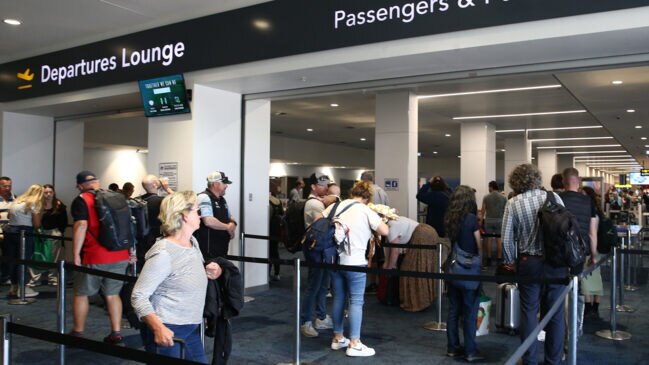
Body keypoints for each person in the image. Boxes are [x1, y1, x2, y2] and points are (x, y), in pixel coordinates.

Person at [132, 191, 222, 363]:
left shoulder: (192, 243)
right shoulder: (164, 252)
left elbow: (185, 273)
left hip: (189, 327)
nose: (200, 214)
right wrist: (158, 328)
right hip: (168, 328)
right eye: (196, 210)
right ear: (184, 216)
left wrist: (213, 270)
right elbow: (138, 296)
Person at [501, 164, 567, 365]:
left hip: (529, 262)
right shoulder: (554, 198)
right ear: (538, 179)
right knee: (555, 312)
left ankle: (529, 359)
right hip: (556, 262)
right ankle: (553, 360)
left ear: (516, 182)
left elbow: (506, 239)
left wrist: (510, 261)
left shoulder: (513, 203)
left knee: (529, 311)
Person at [326, 180, 389, 357]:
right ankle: (354, 342)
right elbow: (384, 231)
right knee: (356, 301)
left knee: (339, 298)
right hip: (355, 262)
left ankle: (338, 338)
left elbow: (318, 221)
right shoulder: (365, 210)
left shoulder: (337, 206)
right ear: (367, 197)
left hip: (335, 261)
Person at [70, 171, 131, 344]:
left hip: (94, 254)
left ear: (80, 185)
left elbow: (81, 225)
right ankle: (116, 333)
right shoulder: (118, 197)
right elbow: (129, 225)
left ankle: (78, 332)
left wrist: (75, 254)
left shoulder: (82, 200)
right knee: (113, 294)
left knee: (81, 294)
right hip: (120, 254)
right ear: (97, 182)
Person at [445, 185, 483, 362]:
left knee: (453, 310)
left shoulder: (450, 219)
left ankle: (452, 348)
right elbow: (478, 245)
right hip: (468, 271)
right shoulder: (471, 219)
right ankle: (470, 350)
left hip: (452, 269)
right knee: (469, 311)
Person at [300, 173, 334, 338]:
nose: (326, 188)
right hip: (316, 248)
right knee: (314, 285)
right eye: (322, 185)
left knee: (322, 285)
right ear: (313, 186)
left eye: (327, 185)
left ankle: (320, 317)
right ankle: (306, 321)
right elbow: (326, 224)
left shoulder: (321, 202)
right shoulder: (314, 204)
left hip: (324, 248)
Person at [383, 215, 439, 312]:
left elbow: (394, 251)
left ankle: (416, 303)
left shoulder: (391, 228)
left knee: (409, 268)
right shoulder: (393, 222)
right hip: (428, 232)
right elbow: (390, 248)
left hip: (422, 235)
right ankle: (425, 299)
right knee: (423, 266)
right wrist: (387, 263)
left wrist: (389, 269)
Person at [6, 184, 43, 298]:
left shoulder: (16, 201)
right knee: (24, 260)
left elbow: (8, 216)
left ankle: (14, 286)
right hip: (25, 233)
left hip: (10, 232)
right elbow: (37, 224)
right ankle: (23, 288)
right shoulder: (34, 203)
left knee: (13, 260)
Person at [28, 184, 68, 287]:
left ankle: (53, 277)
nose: (48, 194)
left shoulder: (59, 205)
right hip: (39, 232)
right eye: (46, 192)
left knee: (55, 257)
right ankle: (36, 278)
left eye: (50, 192)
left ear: (54, 193)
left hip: (54, 233)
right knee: (37, 255)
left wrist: (59, 232)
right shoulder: (38, 204)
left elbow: (64, 221)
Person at [194, 171, 237, 260]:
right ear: (215, 184)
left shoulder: (222, 200)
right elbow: (208, 221)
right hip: (208, 251)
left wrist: (232, 226)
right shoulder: (204, 197)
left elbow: (231, 219)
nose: (226, 186)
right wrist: (228, 227)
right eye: (224, 183)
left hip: (221, 248)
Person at [580, 186, 604, 319]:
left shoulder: (590, 211)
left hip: (591, 249)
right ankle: (594, 308)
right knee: (596, 278)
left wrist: (593, 255)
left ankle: (589, 308)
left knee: (586, 279)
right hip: (598, 249)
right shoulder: (598, 210)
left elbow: (592, 233)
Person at [139, 174, 174, 257]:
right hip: (155, 239)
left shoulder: (136, 200)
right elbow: (181, 202)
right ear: (154, 185)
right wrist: (167, 188)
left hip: (140, 240)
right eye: (157, 180)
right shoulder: (161, 201)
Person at [480, 181, 506, 267]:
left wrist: (480, 222)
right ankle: (499, 259)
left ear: (491, 187)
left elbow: (483, 210)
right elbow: (506, 211)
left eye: (489, 187)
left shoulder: (486, 197)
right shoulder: (503, 198)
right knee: (499, 240)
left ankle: (489, 258)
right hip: (500, 220)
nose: (488, 189)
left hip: (489, 220)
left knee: (489, 240)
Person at [0, 176, 16, 284]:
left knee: (9, 255)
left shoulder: (16, 199)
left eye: (9, 186)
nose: (7, 188)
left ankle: (6, 277)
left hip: (10, 233)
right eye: (4, 186)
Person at [268, 181, 283, 281]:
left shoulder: (268, 202)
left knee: (268, 253)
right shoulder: (278, 201)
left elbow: (268, 218)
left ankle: (267, 274)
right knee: (275, 252)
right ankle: (277, 273)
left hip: (269, 231)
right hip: (277, 230)